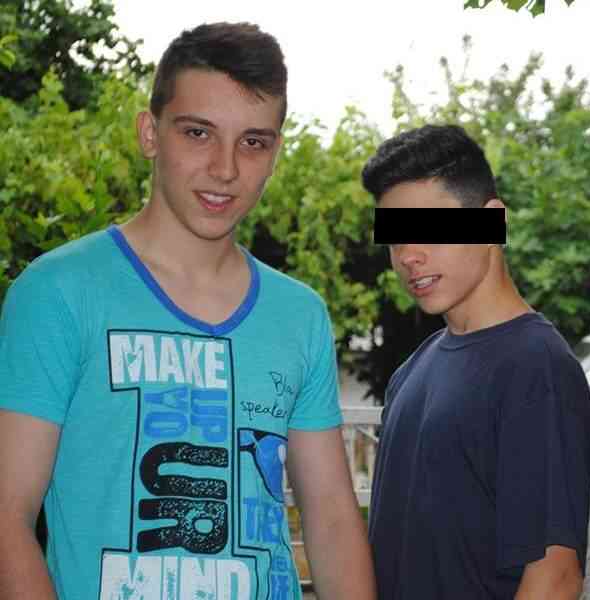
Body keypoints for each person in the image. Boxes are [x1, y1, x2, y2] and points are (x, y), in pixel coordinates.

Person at [0, 22, 375, 600]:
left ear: (275, 152)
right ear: (150, 134)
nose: (226, 168)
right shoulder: (58, 293)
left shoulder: (300, 314)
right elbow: (7, 516)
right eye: (199, 133)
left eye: (253, 142)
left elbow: (329, 519)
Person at [362, 124, 590, 600]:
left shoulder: (536, 366)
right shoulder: (412, 371)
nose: (408, 256)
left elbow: (554, 579)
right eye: (395, 238)